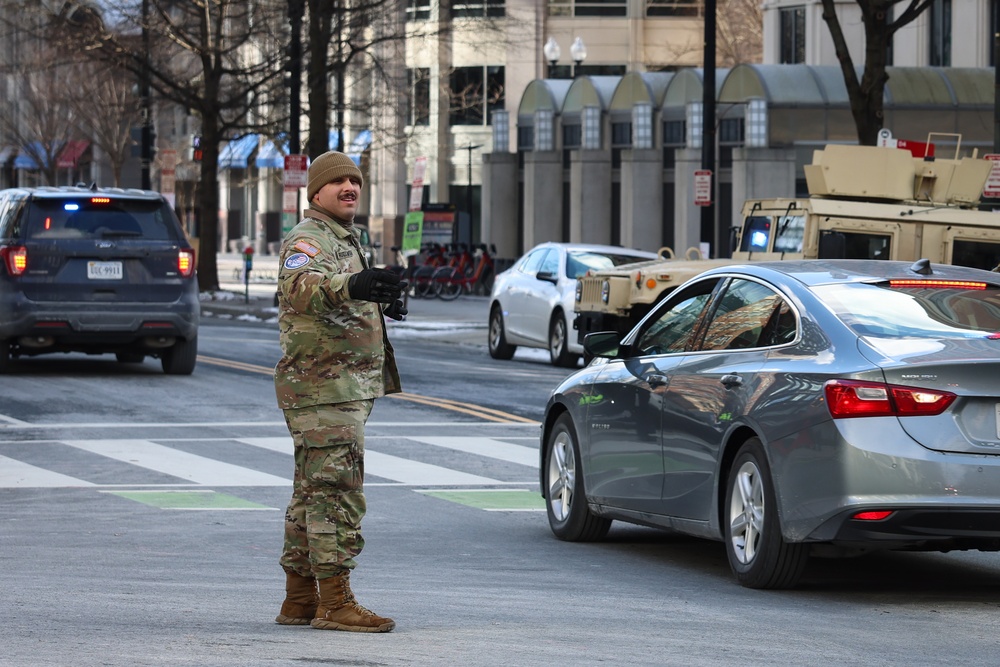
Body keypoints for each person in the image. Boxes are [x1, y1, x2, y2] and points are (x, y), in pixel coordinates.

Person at [272, 150, 406, 633]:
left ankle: (300, 599)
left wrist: (378, 298)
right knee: (335, 493)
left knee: (311, 492)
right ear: (315, 191)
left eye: (355, 180)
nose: (350, 187)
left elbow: (341, 295)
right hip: (324, 389)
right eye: (339, 181)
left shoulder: (342, 237)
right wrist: (355, 284)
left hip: (336, 387)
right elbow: (301, 287)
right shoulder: (308, 238)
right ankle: (336, 603)